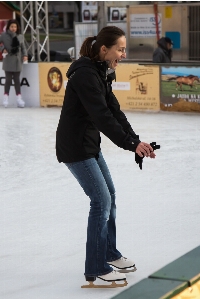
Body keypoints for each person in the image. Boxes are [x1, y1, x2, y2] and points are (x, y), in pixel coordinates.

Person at [56, 26, 156, 287]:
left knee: (109, 196)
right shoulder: (85, 76)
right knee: (100, 201)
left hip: (89, 144)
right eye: (120, 49)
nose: (123, 54)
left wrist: (135, 141)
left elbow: (114, 111)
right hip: (75, 147)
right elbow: (102, 117)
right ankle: (96, 267)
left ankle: (109, 253)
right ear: (104, 49)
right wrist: (129, 144)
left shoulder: (101, 72)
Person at [0, 19, 28, 108]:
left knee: (17, 80)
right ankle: (5, 97)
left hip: (17, 61)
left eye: (15, 27)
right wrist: (2, 49)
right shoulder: (4, 36)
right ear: (8, 27)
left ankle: (19, 99)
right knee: (8, 80)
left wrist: (25, 55)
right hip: (8, 60)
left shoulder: (20, 36)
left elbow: (23, 48)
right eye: (12, 26)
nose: (13, 28)